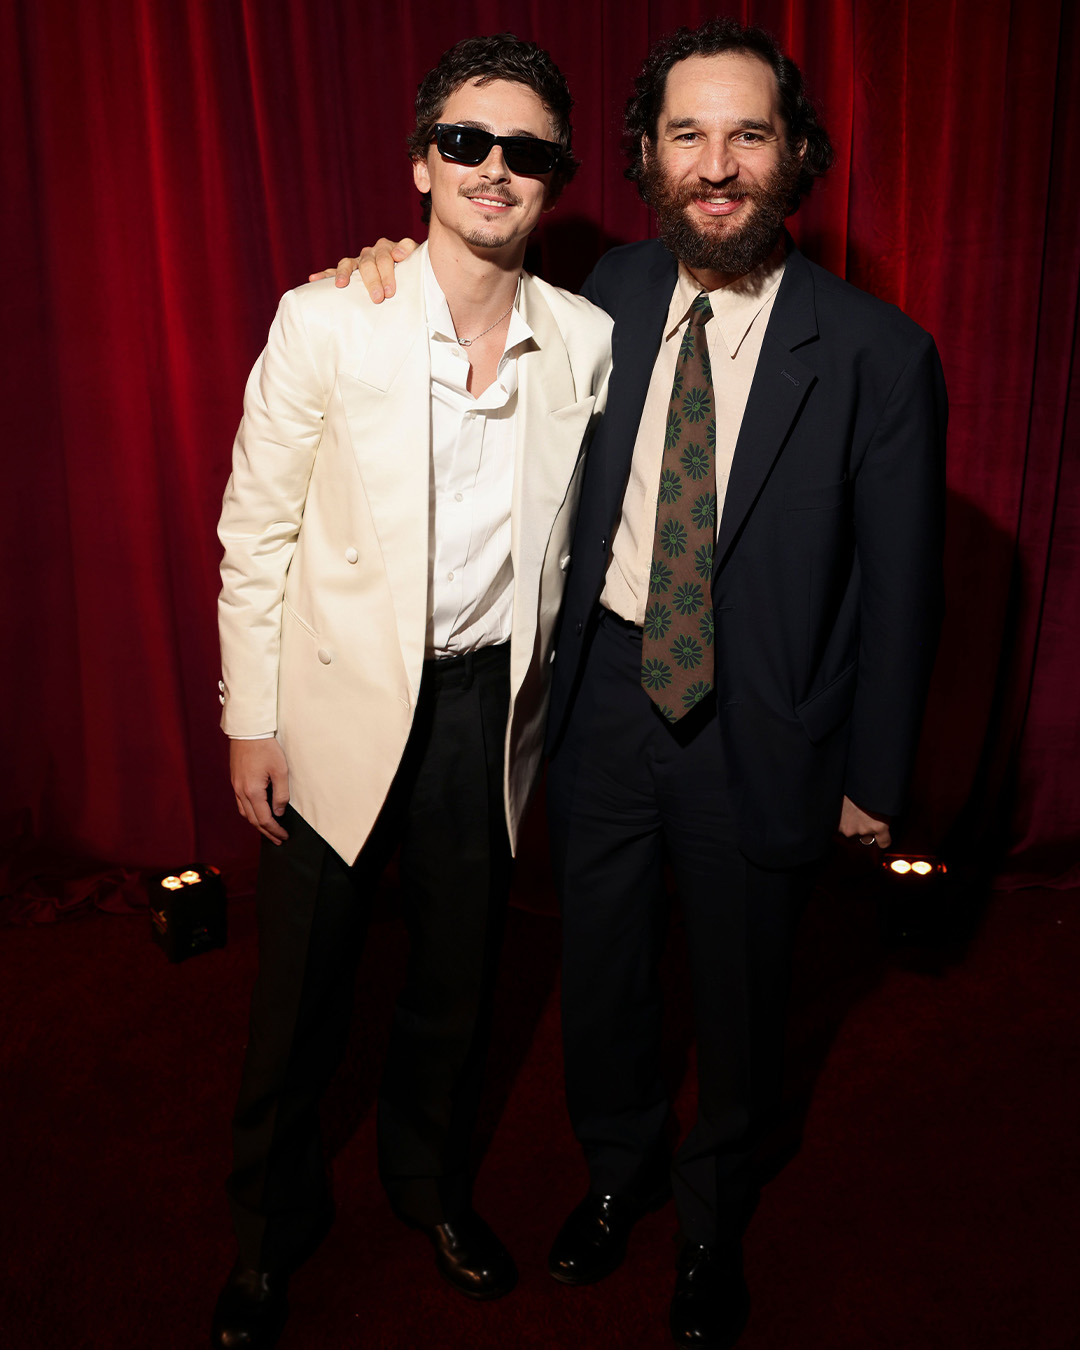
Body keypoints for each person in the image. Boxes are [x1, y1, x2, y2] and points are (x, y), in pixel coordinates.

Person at [338, 18, 946, 1348]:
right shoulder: (603, 289)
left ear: (795, 157)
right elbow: (455, 325)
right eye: (687, 134)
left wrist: (874, 775)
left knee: (741, 990)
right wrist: (385, 268)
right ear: (648, 158)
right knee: (601, 964)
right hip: (605, 694)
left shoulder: (877, 355)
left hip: (766, 725)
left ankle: (715, 1212)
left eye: (747, 134)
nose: (717, 163)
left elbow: (905, 588)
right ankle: (617, 1172)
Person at [212, 33, 611, 1349]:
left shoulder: (588, 340)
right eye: (467, 141)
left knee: (456, 976)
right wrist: (249, 718)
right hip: (331, 709)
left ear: (554, 179)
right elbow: (254, 532)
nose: (496, 168)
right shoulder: (329, 317)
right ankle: (268, 1232)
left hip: (487, 714)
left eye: (528, 150)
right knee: (300, 997)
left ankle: (425, 1186)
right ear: (422, 165)